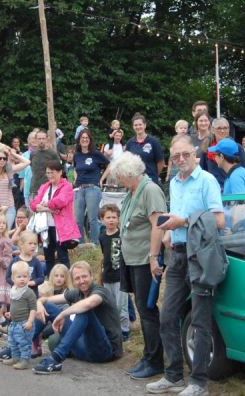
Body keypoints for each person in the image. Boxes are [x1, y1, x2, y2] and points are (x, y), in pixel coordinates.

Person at [147, 134, 225, 396]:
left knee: (200, 321)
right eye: (176, 156)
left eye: (185, 154)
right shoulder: (174, 182)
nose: (181, 159)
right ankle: (173, 376)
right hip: (178, 254)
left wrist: (183, 222)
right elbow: (176, 217)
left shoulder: (207, 180)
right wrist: (170, 232)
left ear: (196, 155)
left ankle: (199, 382)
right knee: (167, 317)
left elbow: (219, 221)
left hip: (200, 256)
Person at [110, 152, 166, 380]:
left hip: (144, 260)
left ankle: (155, 360)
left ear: (129, 173)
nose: (118, 180)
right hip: (131, 259)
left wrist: (154, 257)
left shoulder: (150, 190)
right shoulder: (132, 192)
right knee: (142, 308)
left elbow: (158, 225)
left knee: (147, 309)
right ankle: (148, 356)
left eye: (120, 176)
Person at [28, 261, 124, 374]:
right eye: (77, 278)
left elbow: (89, 303)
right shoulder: (77, 293)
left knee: (84, 310)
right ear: (73, 281)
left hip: (105, 351)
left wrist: (63, 314)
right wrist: (39, 303)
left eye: (84, 276)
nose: (81, 281)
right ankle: (20, 347)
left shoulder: (100, 291)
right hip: (84, 347)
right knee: (47, 306)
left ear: (91, 276)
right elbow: (47, 300)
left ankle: (55, 359)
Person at [30, 159, 81, 275]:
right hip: (45, 227)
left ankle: (66, 279)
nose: (50, 175)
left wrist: (44, 205)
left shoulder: (67, 186)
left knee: (62, 256)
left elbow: (60, 201)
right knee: (48, 256)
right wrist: (49, 209)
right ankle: (50, 280)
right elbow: (33, 204)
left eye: (52, 172)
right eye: (48, 173)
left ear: (60, 172)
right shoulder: (44, 187)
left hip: (60, 228)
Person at [98, 204, 130, 343]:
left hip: (120, 277)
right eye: (108, 217)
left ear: (118, 219)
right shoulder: (102, 237)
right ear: (102, 219)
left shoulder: (122, 235)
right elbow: (104, 255)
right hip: (107, 276)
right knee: (110, 305)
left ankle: (124, 331)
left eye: (114, 217)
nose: (111, 220)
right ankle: (113, 330)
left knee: (121, 306)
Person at [73, 129, 110, 244]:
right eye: (82, 138)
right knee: (78, 219)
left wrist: (101, 179)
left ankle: (95, 244)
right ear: (79, 140)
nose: (84, 139)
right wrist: (76, 179)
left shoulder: (96, 154)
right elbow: (75, 168)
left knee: (92, 219)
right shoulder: (77, 155)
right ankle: (80, 244)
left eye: (86, 138)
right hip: (79, 189)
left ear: (90, 140)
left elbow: (109, 165)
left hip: (92, 188)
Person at [1, 260, 39, 370]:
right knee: (12, 342)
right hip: (14, 323)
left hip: (24, 323)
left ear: (29, 277)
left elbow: (33, 309)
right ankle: (15, 357)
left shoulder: (29, 293)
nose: (22, 279)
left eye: (25, 276)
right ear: (13, 278)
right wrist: (10, 313)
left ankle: (24, 360)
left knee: (24, 343)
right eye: (19, 277)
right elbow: (14, 305)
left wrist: (30, 321)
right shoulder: (14, 291)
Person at [201, 117, 245, 190]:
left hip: (232, 188)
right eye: (219, 128)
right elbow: (202, 171)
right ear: (212, 130)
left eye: (225, 128)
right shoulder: (207, 148)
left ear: (229, 129)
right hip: (213, 188)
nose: (222, 131)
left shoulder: (237, 147)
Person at [125, 113, 165, 185]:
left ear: (145, 125)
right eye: (135, 125)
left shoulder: (153, 142)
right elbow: (126, 161)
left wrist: (155, 175)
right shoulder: (130, 143)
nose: (138, 127)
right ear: (133, 127)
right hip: (134, 182)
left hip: (150, 181)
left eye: (140, 124)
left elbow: (161, 162)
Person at [28, 130, 62, 201]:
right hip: (34, 189)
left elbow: (59, 170)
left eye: (43, 138)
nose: (41, 141)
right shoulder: (33, 154)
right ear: (36, 140)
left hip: (49, 189)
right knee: (33, 207)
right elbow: (32, 168)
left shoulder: (53, 154)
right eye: (39, 139)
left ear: (46, 139)